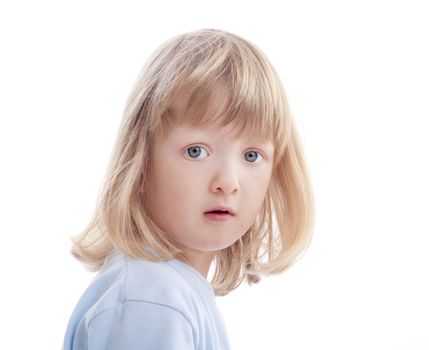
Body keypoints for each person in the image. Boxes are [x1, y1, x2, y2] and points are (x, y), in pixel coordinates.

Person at [62, 28, 315, 349]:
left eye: (251, 156)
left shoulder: (170, 290)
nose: (227, 182)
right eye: (196, 151)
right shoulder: (151, 300)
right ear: (139, 164)